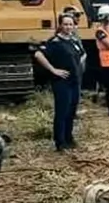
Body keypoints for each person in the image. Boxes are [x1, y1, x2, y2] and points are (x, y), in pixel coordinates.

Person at [33, 14, 86, 151]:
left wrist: (78, 65)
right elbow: (38, 54)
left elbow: (82, 54)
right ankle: (60, 141)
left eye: (71, 24)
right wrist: (53, 70)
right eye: (65, 24)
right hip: (62, 82)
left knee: (71, 111)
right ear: (60, 25)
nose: (68, 27)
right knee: (62, 111)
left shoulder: (73, 41)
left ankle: (69, 138)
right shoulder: (55, 42)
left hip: (75, 81)